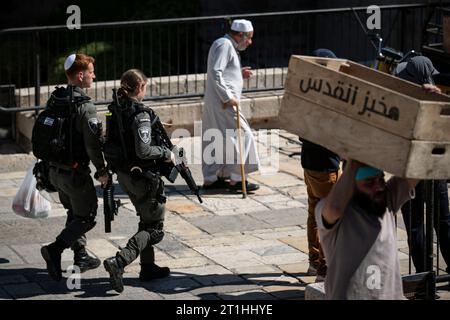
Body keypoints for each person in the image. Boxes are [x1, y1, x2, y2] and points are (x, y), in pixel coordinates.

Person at [102, 69, 174, 293]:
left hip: (124, 174)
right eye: (145, 87)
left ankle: (148, 267)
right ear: (140, 88)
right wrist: (165, 152)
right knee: (155, 229)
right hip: (142, 176)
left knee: (146, 219)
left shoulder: (115, 109)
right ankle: (120, 261)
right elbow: (143, 150)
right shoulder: (141, 114)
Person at [39, 54, 109, 281]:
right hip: (75, 173)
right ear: (81, 75)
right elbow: (92, 144)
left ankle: (81, 256)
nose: (94, 75)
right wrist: (101, 170)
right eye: (91, 71)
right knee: (87, 216)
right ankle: (55, 249)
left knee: (74, 212)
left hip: (54, 171)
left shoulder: (55, 98)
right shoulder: (85, 106)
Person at [316, 160, 418, 299]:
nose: (379, 187)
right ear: (351, 185)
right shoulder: (334, 211)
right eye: (369, 183)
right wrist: (355, 158)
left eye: (381, 179)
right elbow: (334, 209)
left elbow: (416, 170)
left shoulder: (387, 199)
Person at [395, 56, 450, 275]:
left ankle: (423, 276)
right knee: (444, 223)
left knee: (416, 225)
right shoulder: (440, 103)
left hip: (411, 172)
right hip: (435, 171)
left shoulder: (403, 103)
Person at [201, 19, 260, 191]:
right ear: (240, 35)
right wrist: (228, 97)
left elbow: (222, 71)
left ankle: (211, 178)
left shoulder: (225, 45)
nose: (250, 42)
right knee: (244, 135)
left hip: (218, 103)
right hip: (224, 104)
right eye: (249, 37)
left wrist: (239, 74)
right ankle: (236, 179)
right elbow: (215, 72)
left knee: (216, 138)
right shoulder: (224, 45)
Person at [300, 48, 341, 282]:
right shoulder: (325, 98)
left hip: (309, 163)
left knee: (313, 213)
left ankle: (315, 263)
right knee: (328, 218)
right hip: (325, 166)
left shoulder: (308, 92)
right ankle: (324, 270)